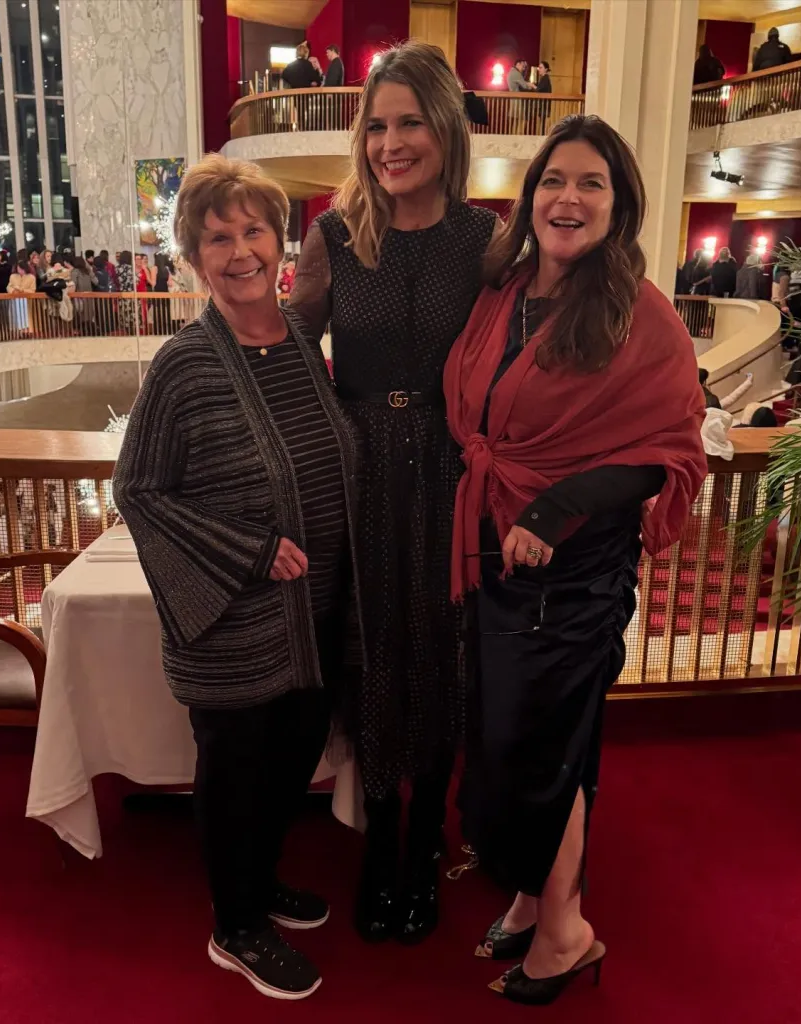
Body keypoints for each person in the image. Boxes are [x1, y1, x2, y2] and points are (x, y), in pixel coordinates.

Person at [444, 113, 707, 1006]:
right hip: (496, 551)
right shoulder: (506, 292)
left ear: (619, 205)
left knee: (541, 746)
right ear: (530, 199)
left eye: (592, 183)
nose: (569, 197)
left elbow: (668, 450)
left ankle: (566, 933)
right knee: (509, 738)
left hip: (576, 571)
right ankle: (534, 900)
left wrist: (556, 508)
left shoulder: (641, 313)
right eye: (554, 180)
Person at [113, 154, 361, 1002]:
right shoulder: (184, 365)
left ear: (279, 243)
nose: (240, 250)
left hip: (313, 610)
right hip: (234, 622)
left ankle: (258, 884)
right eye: (217, 238)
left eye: (253, 230)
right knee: (236, 772)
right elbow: (137, 490)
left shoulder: (298, 340)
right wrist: (248, 551)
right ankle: (235, 925)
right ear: (194, 258)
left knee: (291, 759)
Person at [290, 40, 499, 946]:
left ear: (446, 129)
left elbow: (522, 352)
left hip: (452, 473)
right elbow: (292, 354)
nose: (390, 143)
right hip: (360, 469)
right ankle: (380, 835)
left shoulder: (486, 240)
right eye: (376, 126)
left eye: (410, 122)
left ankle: (426, 836)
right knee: (371, 649)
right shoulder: (335, 235)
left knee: (443, 649)